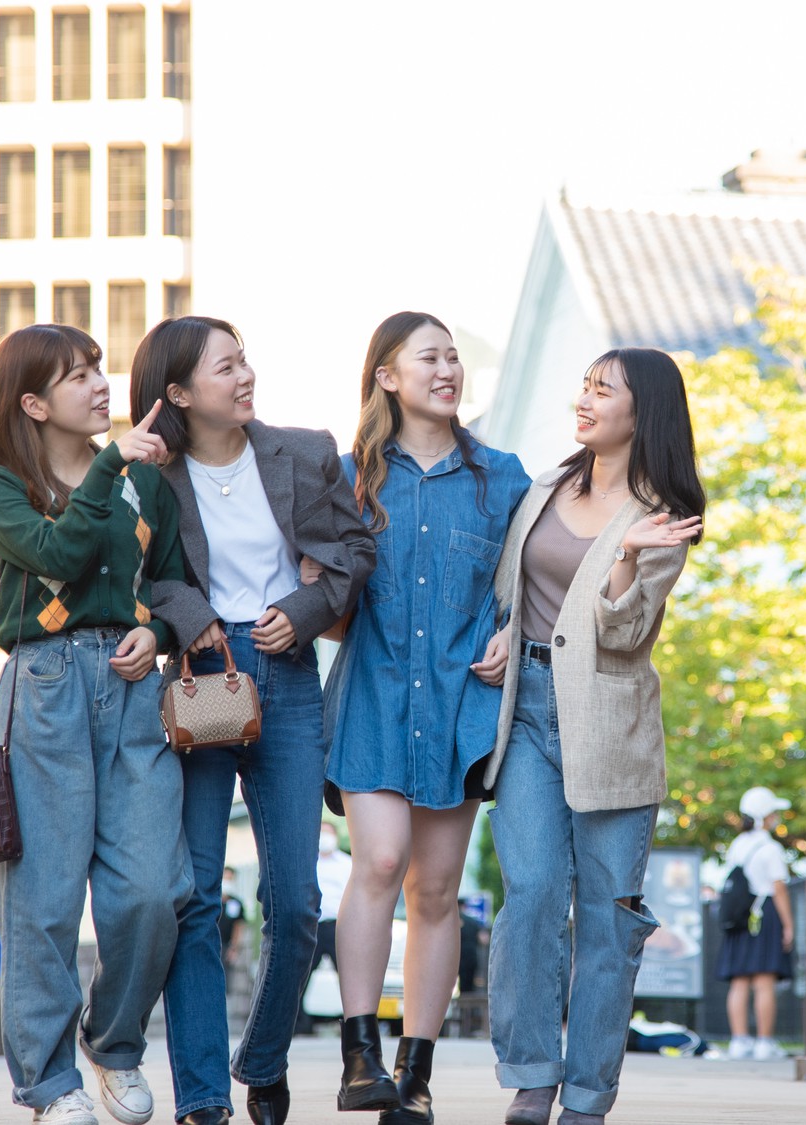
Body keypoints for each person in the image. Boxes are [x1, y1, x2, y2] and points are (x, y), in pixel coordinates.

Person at [137, 315, 375, 1125]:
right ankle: (203, 1097)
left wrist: (306, 608)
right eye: (226, 367)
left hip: (289, 670)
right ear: (178, 392)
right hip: (203, 678)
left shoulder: (305, 450)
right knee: (195, 896)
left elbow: (353, 551)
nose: (245, 377)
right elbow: (138, 572)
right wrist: (190, 611)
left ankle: (263, 1057)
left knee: (298, 899)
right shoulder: (155, 474)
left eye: (245, 362)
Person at [0, 324, 191, 1125]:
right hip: (46, 685)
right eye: (78, 376)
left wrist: (158, 635)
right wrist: (112, 462)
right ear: (33, 401)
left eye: (100, 368)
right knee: (44, 903)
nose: (101, 384)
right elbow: (56, 555)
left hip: (131, 691)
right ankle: (51, 1083)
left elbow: (169, 580)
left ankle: (114, 1042)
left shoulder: (144, 480)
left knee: (155, 891)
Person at [473, 347, 706, 1125]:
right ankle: (533, 1072)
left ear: (645, 414)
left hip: (608, 723)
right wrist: (505, 631)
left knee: (608, 913)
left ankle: (587, 1097)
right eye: (585, 385)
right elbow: (511, 585)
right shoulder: (546, 487)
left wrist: (624, 559)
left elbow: (625, 630)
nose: (585, 400)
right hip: (526, 712)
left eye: (603, 391)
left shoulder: (661, 515)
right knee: (532, 895)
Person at [321, 311, 531, 1122]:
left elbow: (532, 585)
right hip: (373, 698)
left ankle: (415, 1074)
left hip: (459, 709)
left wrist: (513, 632)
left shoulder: (505, 477)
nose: (447, 369)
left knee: (437, 888)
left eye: (453, 357)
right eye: (428, 357)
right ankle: (357, 1057)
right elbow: (322, 593)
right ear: (387, 375)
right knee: (378, 861)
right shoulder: (346, 477)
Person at [718, 787, 796, 1061]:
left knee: (739, 982)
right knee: (764, 982)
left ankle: (739, 1041)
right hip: (764, 913)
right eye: (774, 812)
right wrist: (789, 925)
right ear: (766, 816)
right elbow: (780, 889)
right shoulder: (770, 848)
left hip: (739, 918)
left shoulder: (737, 845)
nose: (776, 817)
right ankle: (764, 1043)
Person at [297, 820, 351, 1035]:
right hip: (313, 924)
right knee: (301, 975)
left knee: (350, 976)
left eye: (329, 833)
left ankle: (353, 1023)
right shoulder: (309, 861)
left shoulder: (347, 863)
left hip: (339, 926)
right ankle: (298, 1024)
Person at [219, 867, 248, 962]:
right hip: (210, 942)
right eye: (226, 879)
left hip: (226, 946)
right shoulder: (212, 900)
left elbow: (238, 925)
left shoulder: (236, 903)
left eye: (230, 879)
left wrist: (234, 947)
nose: (227, 882)